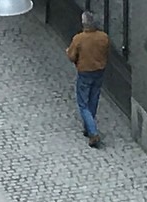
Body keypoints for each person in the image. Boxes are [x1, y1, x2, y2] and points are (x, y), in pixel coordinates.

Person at [66, 12, 110, 148]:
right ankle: (88, 126)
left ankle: (93, 132)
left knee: (83, 103)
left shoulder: (79, 39)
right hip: (99, 71)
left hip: (85, 72)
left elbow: (72, 56)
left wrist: (68, 51)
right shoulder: (104, 37)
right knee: (93, 99)